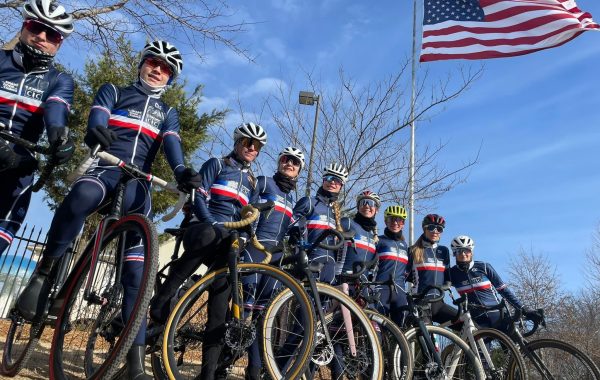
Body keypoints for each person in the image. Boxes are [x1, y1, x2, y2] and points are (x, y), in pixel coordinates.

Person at [16, 39, 187, 379]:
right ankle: (45, 272)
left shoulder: (168, 113)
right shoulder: (115, 91)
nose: (157, 70)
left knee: (138, 273)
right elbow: (99, 114)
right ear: (142, 64)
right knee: (81, 197)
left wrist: (182, 171)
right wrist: (97, 131)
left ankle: (134, 365)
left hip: (138, 184)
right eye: (153, 62)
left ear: (170, 78)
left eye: (166, 68)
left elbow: (171, 143)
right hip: (106, 167)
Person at [149, 122, 265, 380]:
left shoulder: (252, 180)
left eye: (257, 146)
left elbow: (250, 216)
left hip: (228, 239)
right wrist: (209, 220)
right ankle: (163, 298)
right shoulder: (217, 164)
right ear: (237, 142)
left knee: (220, 303)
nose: (252, 148)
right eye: (248, 142)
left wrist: (247, 237)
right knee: (211, 234)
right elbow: (198, 196)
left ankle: (208, 373)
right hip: (202, 228)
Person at [0, 0, 75, 258]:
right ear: (23, 27)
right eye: (35, 27)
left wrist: (58, 135)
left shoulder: (59, 80)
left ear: (59, 42)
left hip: (18, 167)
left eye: (51, 33)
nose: (41, 36)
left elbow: (57, 110)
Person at [242, 146, 304, 380]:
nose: (290, 164)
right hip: (255, 249)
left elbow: (291, 229)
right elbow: (246, 210)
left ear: (298, 170)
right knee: (244, 313)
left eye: (295, 162)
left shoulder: (291, 198)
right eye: (287, 159)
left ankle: (254, 371)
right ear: (279, 162)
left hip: (276, 257)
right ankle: (220, 363)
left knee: (261, 318)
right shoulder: (264, 182)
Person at [448, 235, 543, 333]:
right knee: (479, 348)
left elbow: (503, 290)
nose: (463, 254)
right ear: (454, 254)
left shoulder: (484, 267)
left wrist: (523, 308)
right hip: (477, 319)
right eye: (459, 251)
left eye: (466, 250)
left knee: (514, 346)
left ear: (471, 251)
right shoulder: (452, 273)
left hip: (498, 314)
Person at [290, 162, 348, 285]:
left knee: (324, 302)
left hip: (330, 264)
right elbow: (289, 227)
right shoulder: (308, 202)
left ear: (341, 186)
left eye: (337, 180)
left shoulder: (335, 212)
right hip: (311, 259)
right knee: (307, 301)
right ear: (323, 180)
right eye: (329, 178)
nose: (332, 182)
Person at [408, 214, 457, 324]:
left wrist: (447, 285)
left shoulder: (444, 251)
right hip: (421, 303)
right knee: (427, 338)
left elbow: (448, 277)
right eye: (431, 227)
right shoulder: (413, 250)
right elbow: (403, 276)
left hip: (439, 303)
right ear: (424, 229)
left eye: (439, 229)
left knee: (467, 324)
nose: (435, 231)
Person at [374, 205, 411, 327]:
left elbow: (408, 271)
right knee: (378, 326)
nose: (395, 223)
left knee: (401, 327)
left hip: (399, 290)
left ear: (403, 223)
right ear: (386, 221)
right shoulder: (378, 241)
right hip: (381, 288)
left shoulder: (405, 246)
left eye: (399, 220)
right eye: (391, 219)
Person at [337, 190, 380, 278]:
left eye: (371, 203)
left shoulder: (373, 237)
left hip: (363, 285)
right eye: (363, 202)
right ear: (358, 207)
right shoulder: (347, 223)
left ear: (377, 210)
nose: (367, 206)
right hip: (342, 280)